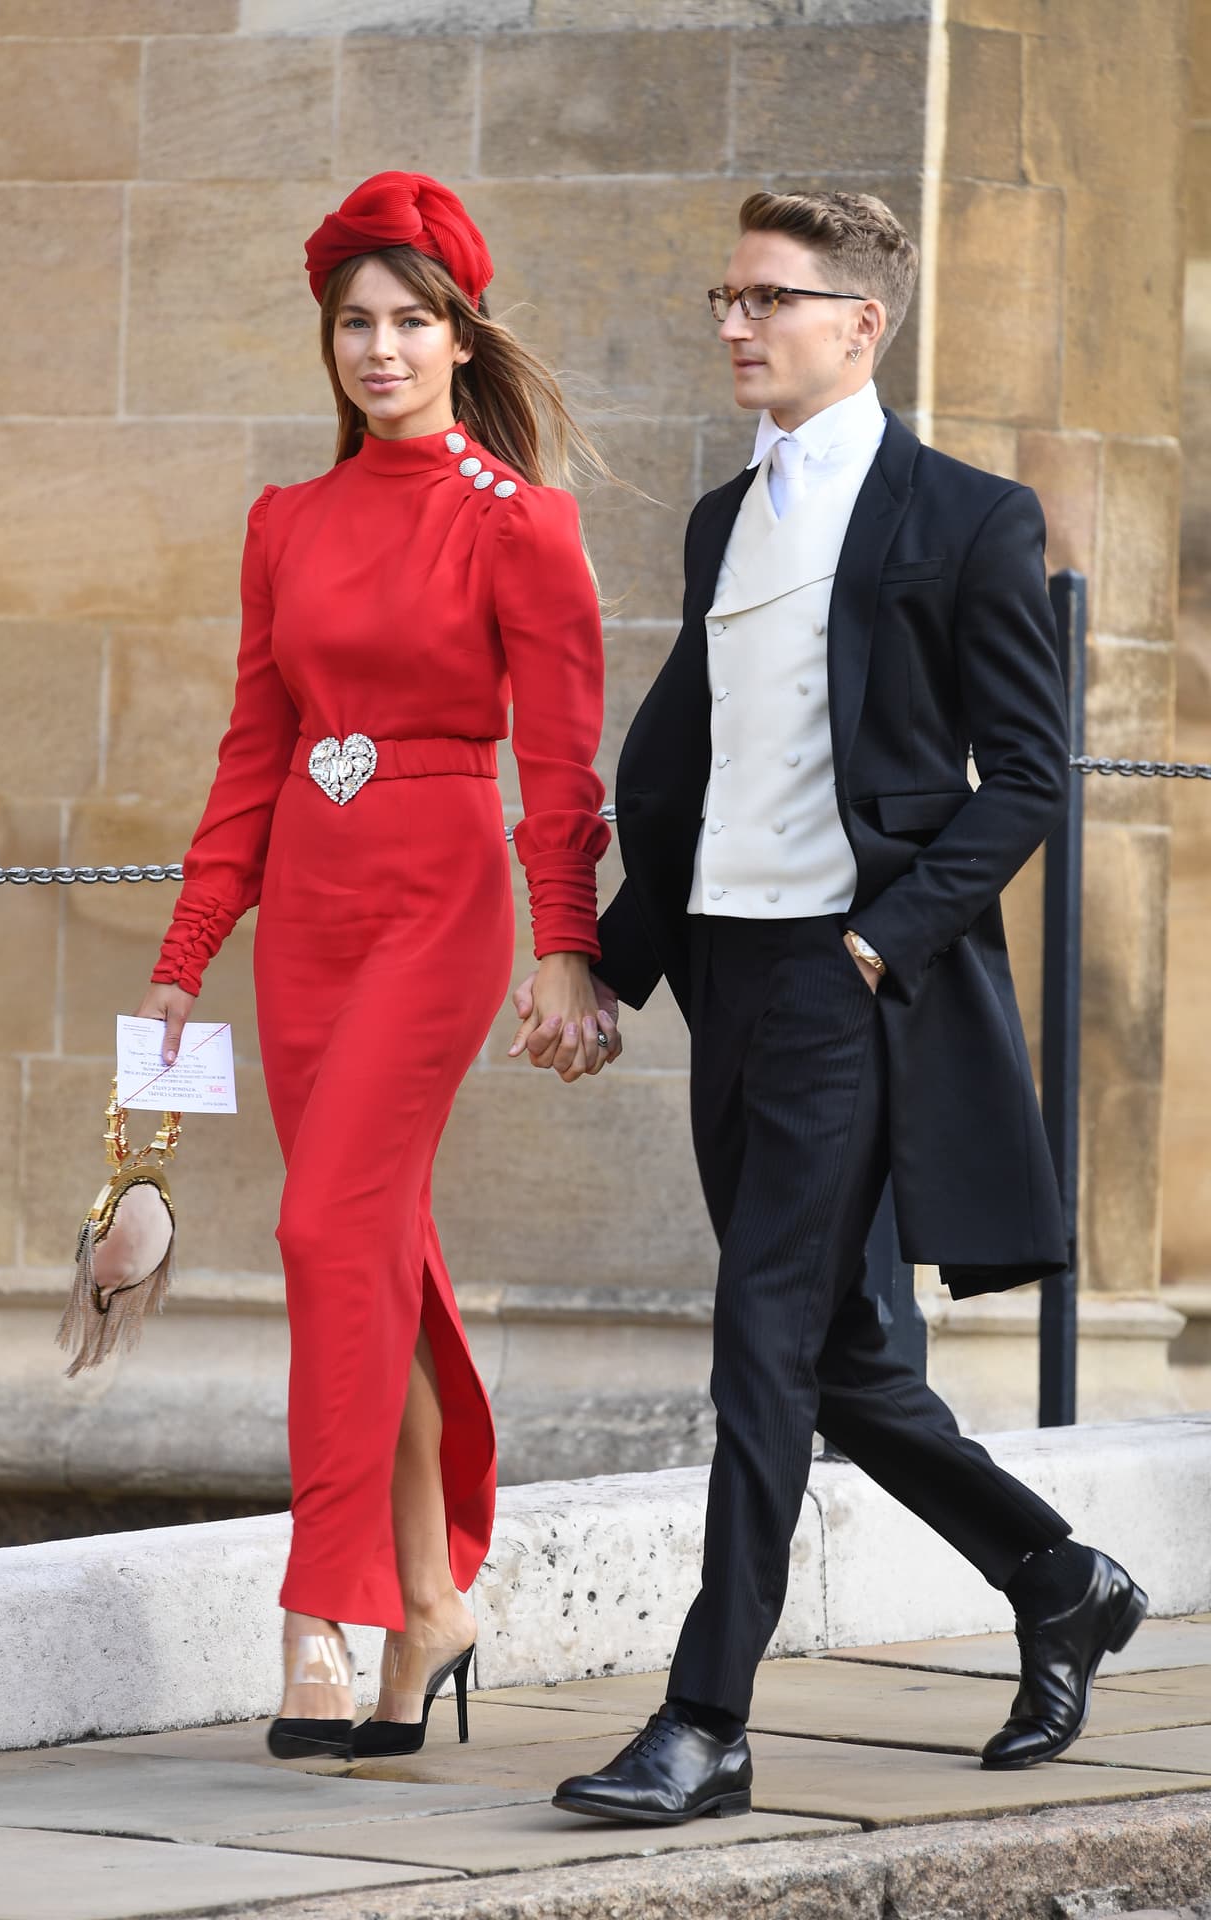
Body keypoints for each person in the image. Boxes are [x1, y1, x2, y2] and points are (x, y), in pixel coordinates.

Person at [511, 188, 1146, 1824]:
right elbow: (718, 781)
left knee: (761, 1347)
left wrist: (881, 943)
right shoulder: (727, 520)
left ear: (862, 324)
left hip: (844, 984)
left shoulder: (968, 518)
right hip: (732, 973)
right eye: (727, 295)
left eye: (770, 299)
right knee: (846, 1361)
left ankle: (706, 1719)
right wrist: (612, 962)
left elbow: (1025, 782)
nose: (735, 323)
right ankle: (1058, 1574)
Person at [135, 171, 619, 1762]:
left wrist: (565, 944)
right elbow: (247, 754)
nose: (383, 349)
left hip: (437, 902)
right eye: (357, 323)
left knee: (323, 1222)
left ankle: (319, 1616)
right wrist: (182, 959)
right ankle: (429, 1602)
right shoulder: (288, 523)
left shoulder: (519, 525)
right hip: (312, 912)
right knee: (373, 1255)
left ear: (461, 338)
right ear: (328, 340)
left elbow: (560, 766)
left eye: (413, 322)